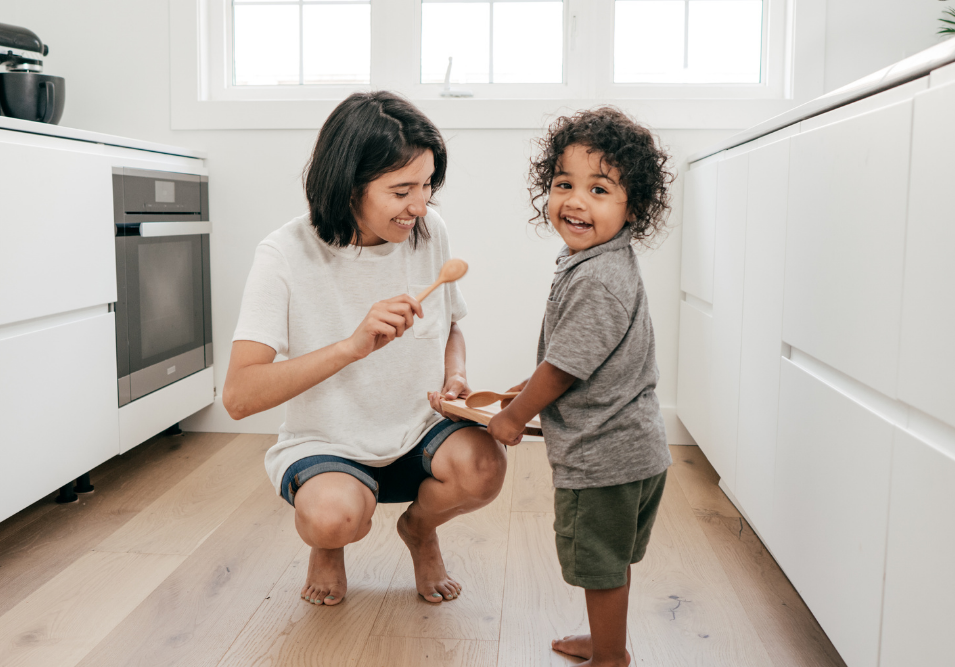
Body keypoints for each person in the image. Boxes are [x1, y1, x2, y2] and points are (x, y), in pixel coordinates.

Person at [223, 91, 506, 607]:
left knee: (485, 468)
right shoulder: (284, 254)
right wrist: (351, 347)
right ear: (349, 185)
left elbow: (450, 328)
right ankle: (328, 548)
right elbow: (239, 397)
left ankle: (420, 530)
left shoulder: (427, 231)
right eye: (402, 191)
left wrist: (455, 376)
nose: (419, 207)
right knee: (332, 519)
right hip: (327, 443)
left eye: (427, 187)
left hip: (421, 430)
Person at [487, 107, 675, 667]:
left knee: (598, 564)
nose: (575, 201)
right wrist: (534, 383)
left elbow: (565, 367)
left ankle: (611, 657)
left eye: (599, 189)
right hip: (636, 451)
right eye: (563, 183)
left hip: (603, 459)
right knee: (611, 560)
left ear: (632, 207)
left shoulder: (596, 277)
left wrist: (516, 414)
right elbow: (584, 355)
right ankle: (607, 639)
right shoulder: (603, 262)